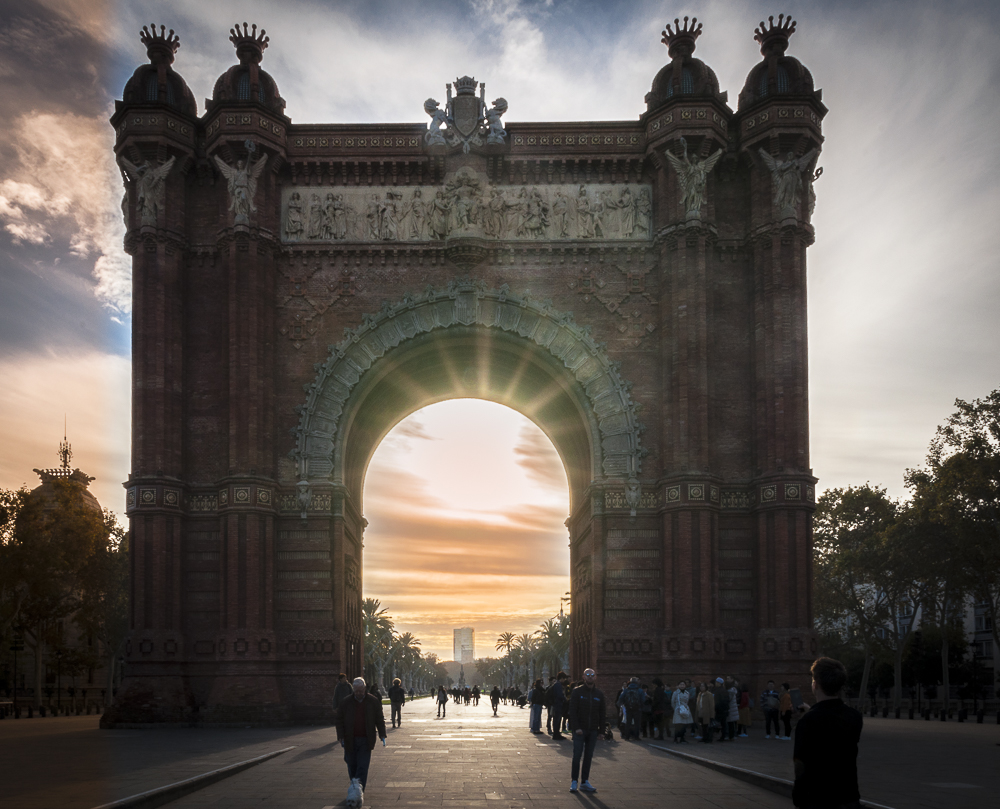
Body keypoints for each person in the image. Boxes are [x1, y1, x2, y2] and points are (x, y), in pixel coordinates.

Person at [793, 657, 863, 809]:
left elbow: (801, 765)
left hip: (818, 798)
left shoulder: (808, 721)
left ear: (815, 684)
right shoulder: (854, 717)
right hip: (848, 795)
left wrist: (799, 798)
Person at [335, 677, 387, 795]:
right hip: (349, 739)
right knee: (352, 765)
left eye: (361, 691)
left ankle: (358, 792)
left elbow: (379, 718)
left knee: (362, 766)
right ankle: (354, 786)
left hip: (366, 739)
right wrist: (341, 736)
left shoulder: (373, 701)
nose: (358, 693)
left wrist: (382, 733)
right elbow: (339, 720)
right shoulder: (346, 702)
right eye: (356, 691)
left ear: (364, 689)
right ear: (353, 689)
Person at [568, 668, 605, 793]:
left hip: (593, 730)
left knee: (588, 757)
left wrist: (601, 731)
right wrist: (576, 727)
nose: (590, 677)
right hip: (580, 730)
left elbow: (602, 713)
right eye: (588, 674)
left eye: (592, 675)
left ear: (595, 677)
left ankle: (584, 781)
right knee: (577, 755)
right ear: (583, 677)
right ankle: (574, 781)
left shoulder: (599, 694)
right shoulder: (577, 692)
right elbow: (572, 711)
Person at [617, 676, 644, 741]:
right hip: (637, 709)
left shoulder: (626, 690)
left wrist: (621, 704)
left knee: (628, 723)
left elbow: (621, 697)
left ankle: (627, 737)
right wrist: (640, 706)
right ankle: (636, 736)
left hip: (628, 708)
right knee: (637, 723)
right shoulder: (639, 690)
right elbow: (643, 699)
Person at [548, 671, 569, 740]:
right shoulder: (558, 685)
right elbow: (559, 695)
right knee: (557, 719)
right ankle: (556, 734)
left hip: (556, 704)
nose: (564, 680)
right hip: (558, 704)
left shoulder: (556, 684)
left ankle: (556, 733)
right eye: (564, 679)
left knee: (557, 719)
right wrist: (564, 699)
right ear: (562, 678)